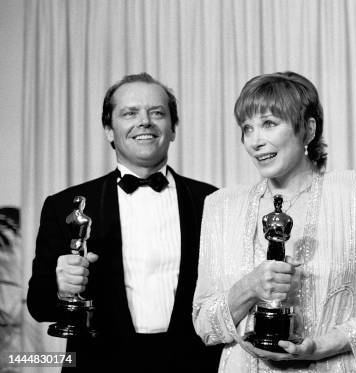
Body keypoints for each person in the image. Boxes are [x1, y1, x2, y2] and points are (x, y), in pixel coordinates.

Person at [27, 73, 222, 372]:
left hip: (192, 365)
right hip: (99, 365)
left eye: (157, 113)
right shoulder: (66, 205)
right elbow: (38, 305)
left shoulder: (212, 202)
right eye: (130, 113)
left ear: (172, 129)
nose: (144, 121)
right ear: (108, 129)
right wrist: (60, 287)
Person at [192, 71, 356, 372]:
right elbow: (204, 324)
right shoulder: (221, 206)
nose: (255, 141)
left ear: (308, 130)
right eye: (247, 128)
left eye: (269, 123)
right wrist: (249, 287)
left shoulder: (355, 192)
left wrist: (318, 348)